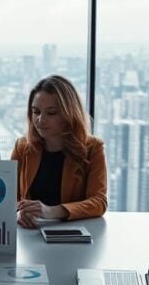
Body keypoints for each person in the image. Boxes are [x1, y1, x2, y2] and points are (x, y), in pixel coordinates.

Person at [11, 75, 107, 229]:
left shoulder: (93, 148)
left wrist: (51, 211)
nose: (40, 120)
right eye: (36, 112)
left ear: (69, 114)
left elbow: (99, 202)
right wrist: (18, 212)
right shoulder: (22, 147)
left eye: (51, 113)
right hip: (29, 233)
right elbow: (9, 199)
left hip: (71, 233)